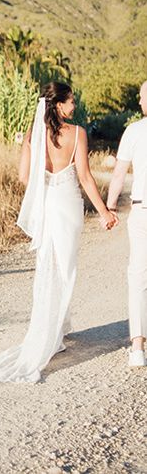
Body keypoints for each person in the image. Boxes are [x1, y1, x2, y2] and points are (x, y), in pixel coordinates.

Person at [0, 82, 118, 383]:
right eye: (70, 102)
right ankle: (53, 335)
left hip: (47, 207)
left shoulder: (33, 135)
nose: (74, 106)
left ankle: (55, 331)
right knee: (65, 269)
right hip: (67, 206)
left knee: (47, 267)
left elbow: (24, 176)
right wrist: (104, 211)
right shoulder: (78, 133)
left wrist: (39, 169)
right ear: (58, 105)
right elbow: (85, 177)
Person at [106, 80, 147, 367]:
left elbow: (119, 174)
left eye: (143, 96)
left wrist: (109, 206)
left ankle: (137, 347)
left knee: (138, 277)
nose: (140, 100)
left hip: (142, 211)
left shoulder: (134, 131)